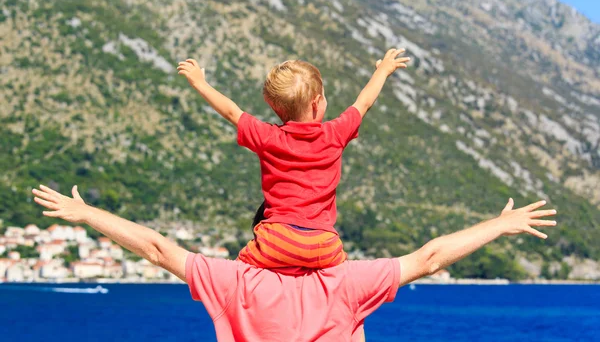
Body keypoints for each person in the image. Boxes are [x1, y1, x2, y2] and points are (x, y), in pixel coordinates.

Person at [32, 184, 556, 341]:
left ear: (260, 232)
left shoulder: (234, 281)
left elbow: (157, 248)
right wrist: (499, 225)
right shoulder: (347, 284)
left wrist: (85, 213)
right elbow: (430, 257)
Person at [176, 49, 410, 271]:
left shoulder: (268, 137)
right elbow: (364, 102)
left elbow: (231, 112)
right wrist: (383, 71)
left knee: (235, 274)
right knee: (342, 277)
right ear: (317, 102)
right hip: (324, 245)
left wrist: (200, 83)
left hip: (276, 240)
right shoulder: (335, 134)